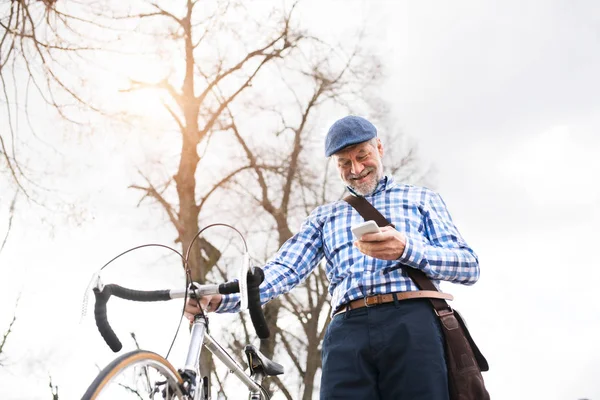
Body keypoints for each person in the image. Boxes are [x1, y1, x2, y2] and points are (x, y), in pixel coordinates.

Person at [185, 115, 480, 399]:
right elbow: (283, 270)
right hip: (347, 330)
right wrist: (224, 297)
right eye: (344, 162)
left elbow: (468, 265)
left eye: (362, 155)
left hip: (412, 321)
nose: (356, 168)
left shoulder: (421, 199)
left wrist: (406, 248)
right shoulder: (325, 217)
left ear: (379, 147)